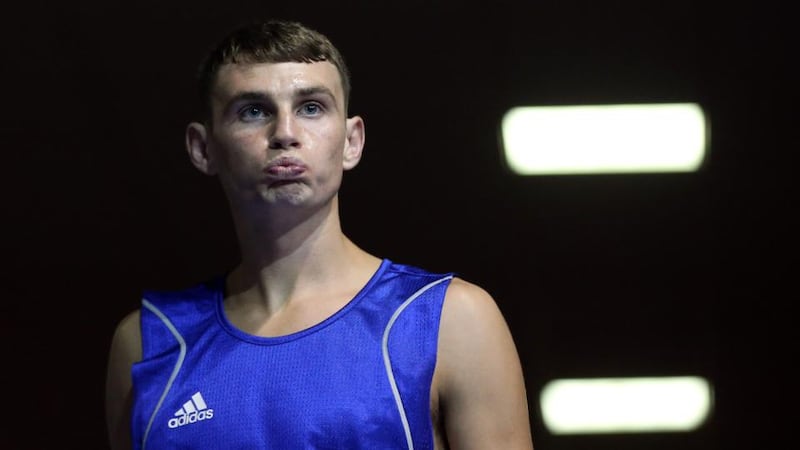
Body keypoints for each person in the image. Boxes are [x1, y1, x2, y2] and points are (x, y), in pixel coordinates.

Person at [105, 18, 533, 450]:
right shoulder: (148, 343)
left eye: (311, 107)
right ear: (204, 148)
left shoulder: (450, 321)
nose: (285, 134)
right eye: (253, 111)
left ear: (352, 141)